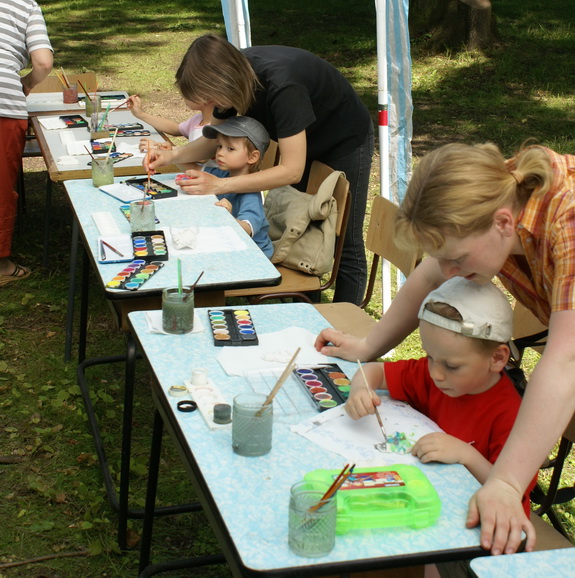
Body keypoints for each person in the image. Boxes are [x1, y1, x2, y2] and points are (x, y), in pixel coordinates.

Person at [315, 141, 575, 555]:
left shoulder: (567, 221)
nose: (452, 273)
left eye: (458, 259)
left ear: (505, 224)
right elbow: (429, 275)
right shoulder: (496, 197)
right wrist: (369, 345)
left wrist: (506, 485)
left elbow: (565, 361)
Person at [145, 33, 374, 305]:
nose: (208, 108)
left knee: (343, 240)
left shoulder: (283, 86)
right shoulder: (230, 86)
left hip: (343, 137)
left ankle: (349, 327)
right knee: (302, 228)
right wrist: (173, 154)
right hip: (301, 141)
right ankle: (309, 308)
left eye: (208, 99)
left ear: (222, 82)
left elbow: (291, 170)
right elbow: (212, 139)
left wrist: (218, 185)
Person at [347, 277, 537, 578]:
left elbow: (513, 491)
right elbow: (374, 371)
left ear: (497, 358)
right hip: (434, 510)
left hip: (487, 541)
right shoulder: (436, 376)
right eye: (430, 357)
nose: (436, 373)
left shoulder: (512, 415)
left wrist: (466, 454)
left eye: (450, 365)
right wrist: (360, 389)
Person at [0, 0, 53, 285]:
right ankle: (0, 266)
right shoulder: (25, 4)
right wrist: (28, 83)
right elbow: (43, 62)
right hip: (3, 101)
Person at [182, 116, 273, 258]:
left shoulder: (250, 192)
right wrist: (169, 155)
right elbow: (192, 169)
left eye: (230, 148)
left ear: (252, 157)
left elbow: (247, 229)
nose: (220, 153)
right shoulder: (220, 175)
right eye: (219, 146)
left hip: (252, 255)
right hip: (226, 242)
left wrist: (228, 216)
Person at [125, 94, 214, 154]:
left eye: (187, 90)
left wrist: (160, 148)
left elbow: (199, 154)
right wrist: (140, 114)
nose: (182, 95)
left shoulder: (218, 128)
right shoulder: (198, 120)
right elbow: (175, 129)